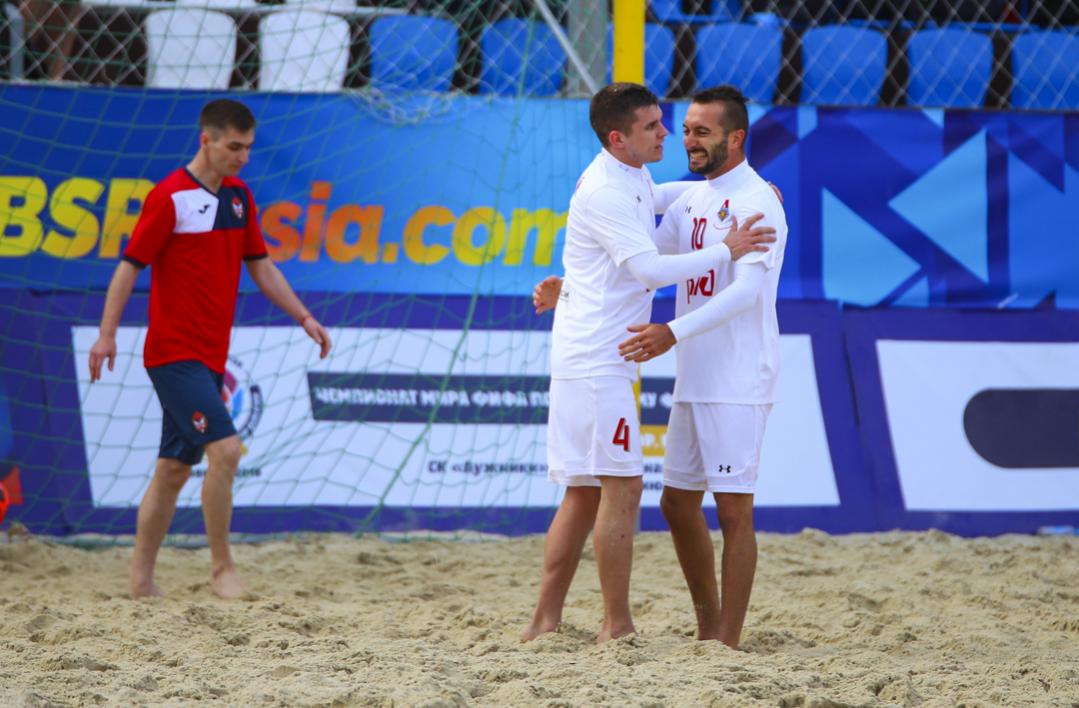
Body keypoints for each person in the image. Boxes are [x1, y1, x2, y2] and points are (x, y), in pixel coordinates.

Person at [521, 82, 776, 644]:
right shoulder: (614, 190)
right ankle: (618, 625)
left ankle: (549, 622)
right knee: (631, 490)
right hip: (604, 359)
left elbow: (679, 211)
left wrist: (574, 284)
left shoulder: (640, 178)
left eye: (686, 127)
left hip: (664, 363)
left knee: (592, 493)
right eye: (659, 127)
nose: (672, 135)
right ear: (620, 138)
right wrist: (724, 249)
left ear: (735, 137)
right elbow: (649, 267)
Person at [88, 99, 331, 600]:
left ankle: (140, 582)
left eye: (248, 148)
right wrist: (107, 334)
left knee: (173, 469)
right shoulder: (170, 197)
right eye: (234, 147)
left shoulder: (239, 197)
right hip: (172, 355)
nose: (243, 157)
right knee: (226, 450)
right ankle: (222, 570)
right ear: (207, 141)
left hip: (210, 356)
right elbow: (129, 268)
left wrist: (304, 316)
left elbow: (261, 265)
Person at [616, 85, 789, 648]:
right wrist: (571, 284)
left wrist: (672, 331)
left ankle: (727, 643)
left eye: (702, 132)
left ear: (735, 138)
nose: (688, 140)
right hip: (695, 374)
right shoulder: (694, 198)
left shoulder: (759, 201)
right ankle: (708, 624)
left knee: (734, 513)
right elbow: (646, 256)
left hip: (738, 376)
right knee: (676, 502)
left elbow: (746, 294)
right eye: (686, 129)